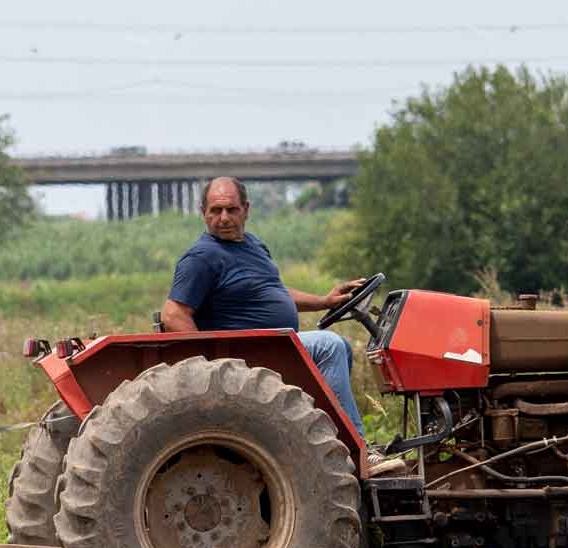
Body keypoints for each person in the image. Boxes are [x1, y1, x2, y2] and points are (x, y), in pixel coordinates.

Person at [162, 175, 408, 477]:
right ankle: (358, 452)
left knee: (340, 344)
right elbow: (173, 314)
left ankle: (328, 440)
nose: (223, 218)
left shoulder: (252, 245)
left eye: (231, 209)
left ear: (246, 209)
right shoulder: (202, 257)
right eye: (215, 211)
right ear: (203, 212)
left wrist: (324, 301)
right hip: (247, 357)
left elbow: (271, 290)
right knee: (329, 346)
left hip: (276, 347)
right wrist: (210, 369)